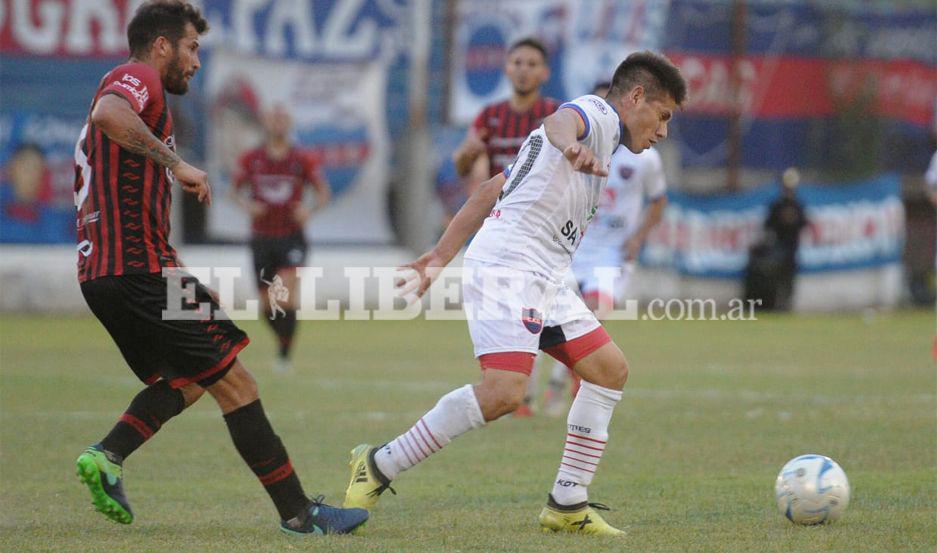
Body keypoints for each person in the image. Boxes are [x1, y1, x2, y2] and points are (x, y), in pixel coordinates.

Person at [344, 51, 686, 536]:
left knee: (609, 371)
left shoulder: (598, 140)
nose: (663, 131)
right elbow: (559, 121)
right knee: (504, 393)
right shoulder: (596, 116)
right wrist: (571, 146)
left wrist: (439, 256)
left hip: (544, 273)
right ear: (636, 98)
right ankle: (378, 464)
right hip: (510, 267)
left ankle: (567, 503)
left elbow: (490, 189)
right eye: (664, 116)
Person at [72, 1, 366, 536]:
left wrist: (178, 267)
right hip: (139, 272)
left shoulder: (143, 94)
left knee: (186, 381)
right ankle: (300, 514)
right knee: (237, 383)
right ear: (161, 45)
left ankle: (108, 455)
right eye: (191, 48)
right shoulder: (136, 76)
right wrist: (176, 161)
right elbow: (109, 114)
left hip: (109, 275)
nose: (197, 61)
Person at [542, 81, 669, 415]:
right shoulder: (579, 148)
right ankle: (559, 378)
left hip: (612, 254)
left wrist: (637, 238)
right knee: (552, 317)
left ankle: (563, 380)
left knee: (593, 311)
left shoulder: (645, 159)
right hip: (572, 248)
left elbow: (658, 202)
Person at [453, 37, 560, 415]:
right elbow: (467, 166)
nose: (524, 68)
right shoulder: (490, 115)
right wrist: (465, 157)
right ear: (507, 68)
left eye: (532, 63)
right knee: (500, 314)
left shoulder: (556, 114)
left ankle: (528, 391)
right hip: (498, 230)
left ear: (544, 72)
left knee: (536, 311)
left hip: (540, 232)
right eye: (518, 62)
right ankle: (509, 386)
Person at [230, 104, 331, 373]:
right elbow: (234, 191)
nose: (278, 124)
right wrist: (247, 206)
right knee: (267, 305)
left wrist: (309, 210)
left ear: (289, 124)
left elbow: (323, 193)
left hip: (292, 238)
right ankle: (283, 340)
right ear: (265, 124)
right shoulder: (252, 158)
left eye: (282, 119)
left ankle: (285, 355)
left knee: (284, 296)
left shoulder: (302, 159)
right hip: (262, 238)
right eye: (273, 119)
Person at [763, 167, 808, 310]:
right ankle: (774, 303)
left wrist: (793, 221)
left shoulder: (797, 205)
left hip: (792, 246)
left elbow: (803, 223)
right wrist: (782, 220)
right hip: (778, 245)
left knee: (789, 277)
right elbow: (768, 224)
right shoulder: (777, 205)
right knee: (776, 276)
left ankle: (787, 304)